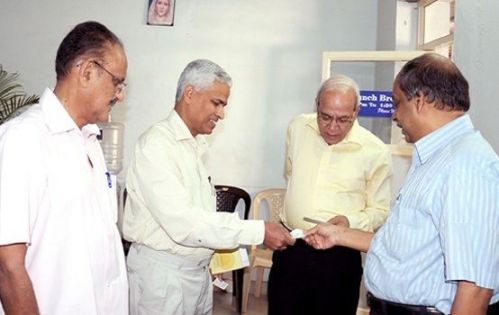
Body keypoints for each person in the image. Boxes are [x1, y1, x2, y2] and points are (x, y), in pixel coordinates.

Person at [305, 53, 499, 315]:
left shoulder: (466, 166)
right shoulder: (435, 157)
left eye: (397, 104)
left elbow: (475, 288)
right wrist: (339, 235)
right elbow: (408, 244)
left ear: (419, 102)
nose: (394, 115)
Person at [123, 59, 295, 315]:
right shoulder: (157, 145)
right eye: (217, 103)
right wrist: (257, 230)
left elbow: (202, 217)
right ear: (190, 94)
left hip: (197, 273)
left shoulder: (194, 146)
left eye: (224, 105)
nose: (222, 114)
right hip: (163, 279)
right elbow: (185, 224)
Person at [0, 21, 128, 315]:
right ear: (86, 72)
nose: (119, 94)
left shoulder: (90, 141)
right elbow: (7, 266)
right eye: (116, 82)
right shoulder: (24, 138)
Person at [267, 74, 392, 315]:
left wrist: (348, 223)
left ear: (357, 112)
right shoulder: (297, 128)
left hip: (339, 256)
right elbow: (291, 173)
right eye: (325, 117)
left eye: (343, 119)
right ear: (316, 105)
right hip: (292, 246)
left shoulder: (375, 151)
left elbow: (380, 211)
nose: (333, 127)